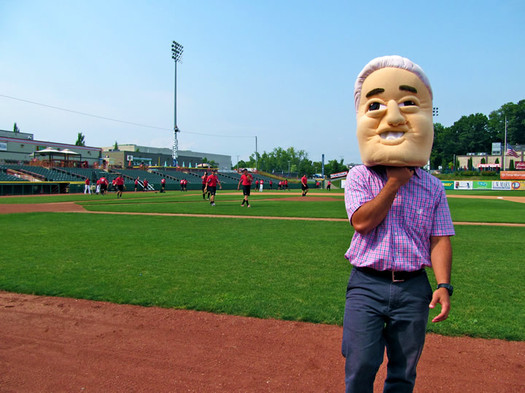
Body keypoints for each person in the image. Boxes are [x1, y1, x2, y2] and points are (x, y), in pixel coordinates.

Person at [341, 55, 455, 393]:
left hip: (413, 288)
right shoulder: (359, 177)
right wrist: (393, 183)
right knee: (360, 365)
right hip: (367, 284)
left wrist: (444, 285)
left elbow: (440, 238)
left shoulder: (432, 186)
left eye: (408, 103)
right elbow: (361, 223)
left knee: (404, 373)